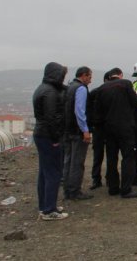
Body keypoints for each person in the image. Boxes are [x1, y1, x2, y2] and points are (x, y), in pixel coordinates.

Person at [93, 68, 137, 198]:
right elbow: (134, 101)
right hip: (125, 127)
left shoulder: (102, 89)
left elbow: (98, 112)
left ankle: (113, 187)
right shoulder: (126, 84)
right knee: (128, 157)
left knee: (111, 158)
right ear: (120, 75)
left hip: (109, 128)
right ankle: (126, 189)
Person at [32, 62, 69, 220]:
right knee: (53, 172)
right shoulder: (51, 93)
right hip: (49, 136)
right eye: (62, 75)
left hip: (41, 134)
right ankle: (49, 210)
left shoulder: (42, 88)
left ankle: (45, 205)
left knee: (44, 172)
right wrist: (55, 138)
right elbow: (51, 118)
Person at [63, 66, 94, 200]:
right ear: (84, 75)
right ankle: (75, 191)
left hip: (68, 130)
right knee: (77, 162)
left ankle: (67, 190)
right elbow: (79, 111)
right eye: (89, 77)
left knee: (68, 161)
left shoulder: (69, 87)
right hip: (77, 131)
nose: (90, 80)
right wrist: (85, 130)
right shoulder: (81, 89)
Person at [88, 70, 112, 190]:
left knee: (101, 155)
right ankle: (99, 179)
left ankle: (99, 179)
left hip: (101, 128)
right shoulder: (97, 93)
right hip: (101, 127)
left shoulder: (95, 92)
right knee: (101, 155)